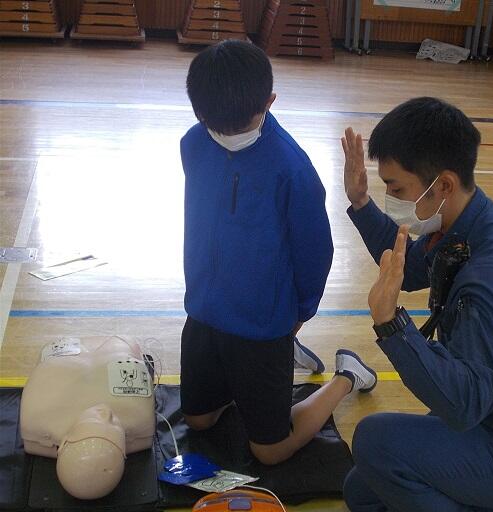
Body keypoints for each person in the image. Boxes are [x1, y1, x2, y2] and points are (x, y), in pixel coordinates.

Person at [341, 97, 493, 512]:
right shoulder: (469, 222)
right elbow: (412, 268)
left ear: (444, 185)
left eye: (396, 189)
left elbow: (465, 405)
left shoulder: (490, 275)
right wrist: (362, 204)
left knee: (375, 443)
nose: (391, 198)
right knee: (361, 491)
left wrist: (391, 325)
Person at [180, 41, 377, 466]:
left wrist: (300, 311)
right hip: (205, 311)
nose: (228, 135)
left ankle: (347, 374)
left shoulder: (292, 170)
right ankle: (270, 366)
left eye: (240, 126)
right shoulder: (193, 144)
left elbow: (315, 250)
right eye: (216, 126)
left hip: (264, 325)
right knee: (197, 420)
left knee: (269, 452)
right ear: (198, 113)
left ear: (270, 102)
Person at [20, 337, 156, 500]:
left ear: (63, 445)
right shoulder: (138, 414)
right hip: (118, 345)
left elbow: (33, 446)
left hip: (68, 347)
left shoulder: (36, 414)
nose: (105, 414)